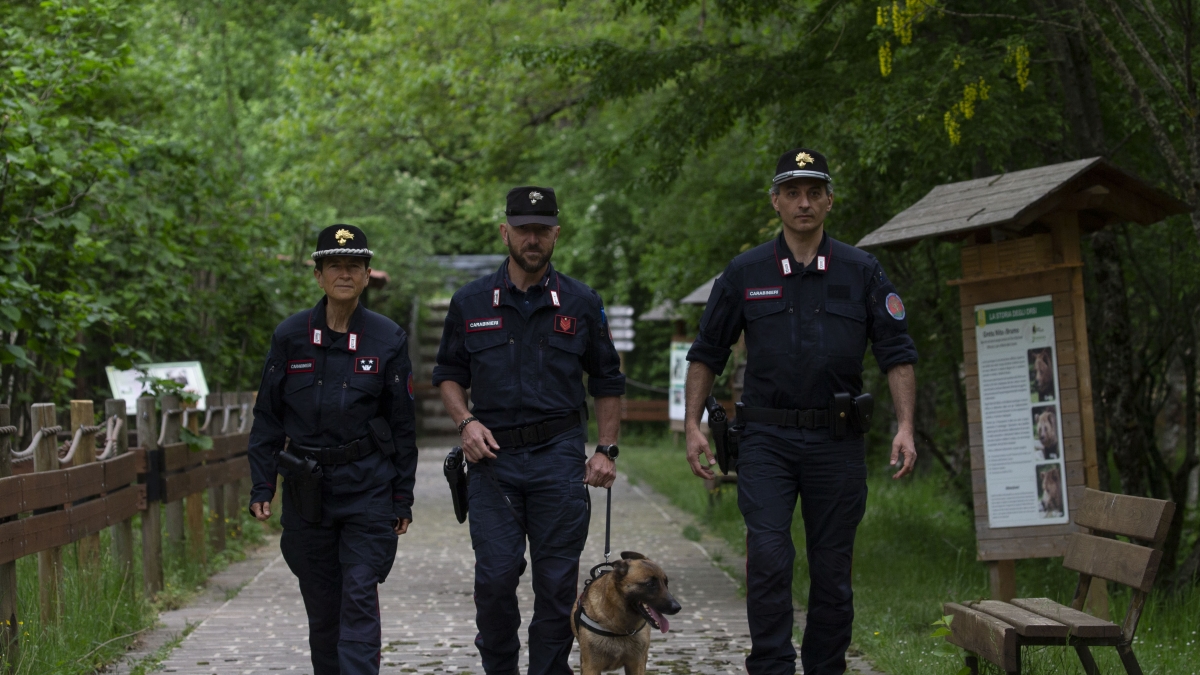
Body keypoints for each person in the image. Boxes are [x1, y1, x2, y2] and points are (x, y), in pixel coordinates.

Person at [683, 149, 919, 675]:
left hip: (837, 443)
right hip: (766, 439)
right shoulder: (746, 272)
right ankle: (771, 666)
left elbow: (897, 353)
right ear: (776, 201)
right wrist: (691, 426)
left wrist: (905, 426)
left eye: (814, 192)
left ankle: (825, 667)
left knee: (833, 569)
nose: (803, 202)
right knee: (769, 559)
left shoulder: (862, 271)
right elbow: (707, 353)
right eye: (792, 192)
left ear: (830, 201)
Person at [433, 186, 626, 675]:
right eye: (523, 229)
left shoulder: (582, 302)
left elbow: (607, 380)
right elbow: (448, 375)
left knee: (557, 584)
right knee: (496, 578)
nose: (532, 239)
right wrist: (465, 421)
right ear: (506, 232)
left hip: (558, 457)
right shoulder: (470, 301)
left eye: (542, 230)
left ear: (556, 234)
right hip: (491, 459)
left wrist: (606, 450)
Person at [247, 224, 418, 675]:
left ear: (365, 275)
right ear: (319, 275)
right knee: (323, 610)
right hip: (308, 491)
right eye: (335, 265)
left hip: (368, 488)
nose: (345, 273)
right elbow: (267, 417)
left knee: (359, 594)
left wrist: (403, 496)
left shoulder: (388, 339)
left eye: (354, 266)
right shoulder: (289, 337)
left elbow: (402, 424)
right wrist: (261, 485)